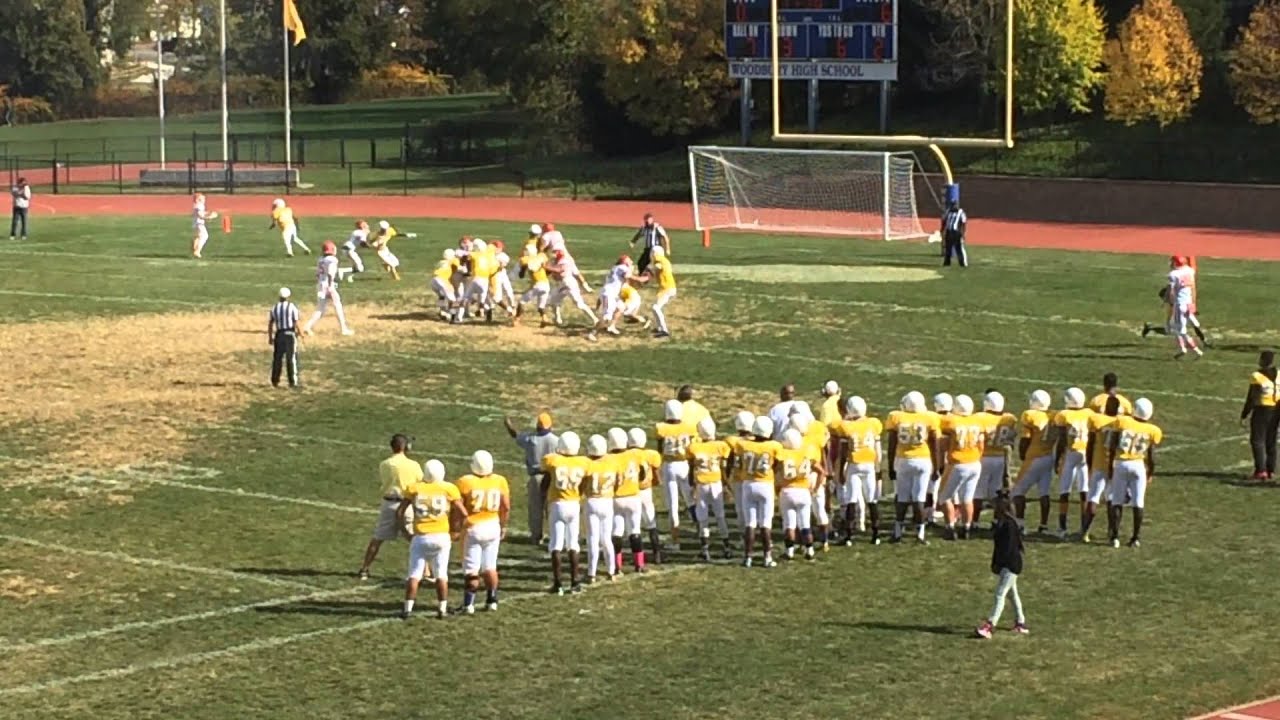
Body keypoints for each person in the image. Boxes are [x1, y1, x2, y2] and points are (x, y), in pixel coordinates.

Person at [397, 458, 466, 620]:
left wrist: (405, 531)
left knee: (414, 574)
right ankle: (442, 608)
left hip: (421, 536)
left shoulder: (415, 488)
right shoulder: (449, 488)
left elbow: (400, 512)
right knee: (441, 574)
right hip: (441, 536)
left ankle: (407, 609)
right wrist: (457, 530)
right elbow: (463, 513)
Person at [358, 434, 422, 580]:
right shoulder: (414, 465)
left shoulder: (384, 464)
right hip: (406, 504)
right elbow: (420, 483)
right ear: (405, 447)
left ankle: (365, 568)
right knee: (415, 539)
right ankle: (426, 571)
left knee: (378, 538)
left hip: (388, 503)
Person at [456, 449, 510, 613]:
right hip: (493, 524)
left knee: (472, 569)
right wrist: (503, 524)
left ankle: (468, 604)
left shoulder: (465, 482)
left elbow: (458, 507)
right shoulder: (499, 480)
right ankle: (492, 600)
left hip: (474, 527)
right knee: (490, 567)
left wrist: (456, 527)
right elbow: (506, 506)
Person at [884, 391, 941, 544]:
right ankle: (920, 534)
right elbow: (934, 444)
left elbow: (891, 444)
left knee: (902, 498)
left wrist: (890, 465)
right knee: (919, 498)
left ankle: (897, 532)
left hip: (903, 460)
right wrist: (936, 466)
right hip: (923, 460)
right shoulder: (930, 417)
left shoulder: (896, 417)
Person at [1107, 398, 1162, 548]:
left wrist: (1110, 465)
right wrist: (1151, 471)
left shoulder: (1122, 421)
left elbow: (1112, 445)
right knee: (1138, 503)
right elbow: (1152, 455)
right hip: (1138, 465)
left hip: (1121, 463)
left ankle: (1115, 537)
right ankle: (1135, 538)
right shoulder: (1153, 430)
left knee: (1117, 501)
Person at [975, 491, 1030, 638]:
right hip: (1009, 564)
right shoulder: (1004, 523)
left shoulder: (1008, 525)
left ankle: (990, 626)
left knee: (1000, 594)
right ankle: (1020, 622)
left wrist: (1000, 564)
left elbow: (1008, 548)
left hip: (1010, 565)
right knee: (1012, 595)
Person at [829, 396, 883, 545]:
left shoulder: (846, 426)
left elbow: (844, 451)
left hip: (854, 465)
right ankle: (875, 534)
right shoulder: (873, 424)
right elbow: (877, 450)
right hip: (869, 465)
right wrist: (878, 468)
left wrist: (840, 472)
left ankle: (848, 536)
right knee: (872, 500)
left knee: (851, 500)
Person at [541, 432, 589, 594]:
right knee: (573, 544)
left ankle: (558, 583)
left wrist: (543, 500)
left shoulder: (553, 460)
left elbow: (545, 482)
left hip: (557, 504)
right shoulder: (582, 462)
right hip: (573, 504)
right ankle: (575, 581)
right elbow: (584, 483)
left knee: (555, 544)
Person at [734, 416, 783, 567]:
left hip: (748, 484)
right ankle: (767, 557)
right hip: (765, 484)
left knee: (750, 524)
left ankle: (748, 557)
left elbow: (739, 464)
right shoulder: (774, 446)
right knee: (765, 524)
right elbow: (777, 466)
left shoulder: (742, 445)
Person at [504, 413, 558, 546]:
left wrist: (508, 425)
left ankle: (536, 536)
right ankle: (554, 535)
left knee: (535, 508)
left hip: (535, 477)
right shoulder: (556, 440)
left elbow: (515, 435)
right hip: (551, 477)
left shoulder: (530, 439)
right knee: (551, 508)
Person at [938, 394, 985, 540]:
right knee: (967, 498)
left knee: (944, 497)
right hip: (975, 463)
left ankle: (950, 527)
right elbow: (982, 445)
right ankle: (966, 528)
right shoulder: (977, 421)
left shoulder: (950, 421)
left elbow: (943, 445)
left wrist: (941, 462)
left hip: (958, 464)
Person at [685, 418, 732, 561]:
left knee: (703, 518)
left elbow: (691, 468)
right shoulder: (721, 445)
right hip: (716, 483)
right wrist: (725, 484)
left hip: (701, 484)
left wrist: (691, 485)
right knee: (720, 516)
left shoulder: (693, 447)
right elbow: (724, 467)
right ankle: (727, 547)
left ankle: (705, 549)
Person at [1011, 390, 1056, 534]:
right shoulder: (1053, 416)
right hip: (1048, 456)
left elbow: (1025, 439)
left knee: (1017, 492)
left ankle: (1020, 523)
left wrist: (1022, 454)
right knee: (1044, 493)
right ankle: (1044, 525)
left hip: (1034, 457)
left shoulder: (1030, 416)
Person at [1052, 387, 1093, 539]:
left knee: (1065, 491)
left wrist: (1057, 458)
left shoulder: (1064, 415)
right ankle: (1084, 528)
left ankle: (1062, 528)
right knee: (1084, 491)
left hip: (1071, 453)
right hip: (1085, 453)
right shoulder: (1089, 413)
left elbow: (1062, 440)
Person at [655, 399, 697, 547]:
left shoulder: (661, 428)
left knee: (673, 505)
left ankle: (675, 540)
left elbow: (660, 448)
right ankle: (700, 531)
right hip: (684, 465)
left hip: (669, 465)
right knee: (690, 499)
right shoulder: (689, 427)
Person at [775, 428, 821, 561]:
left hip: (787, 490)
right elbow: (821, 471)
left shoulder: (782, 454)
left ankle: (789, 551)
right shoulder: (806, 453)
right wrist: (816, 487)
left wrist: (776, 487)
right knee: (805, 524)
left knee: (789, 524)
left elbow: (776, 470)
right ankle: (810, 550)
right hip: (803, 491)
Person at [974, 390, 1016, 529]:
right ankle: (997, 520)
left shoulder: (980, 417)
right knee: (996, 492)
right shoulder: (1009, 419)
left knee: (978, 492)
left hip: (985, 457)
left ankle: (974, 521)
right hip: (999, 458)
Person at [1083, 396, 1121, 544]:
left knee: (1093, 499)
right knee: (1112, 500)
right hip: (1115, 466)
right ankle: (1113, 535)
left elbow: (1090, 443)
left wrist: (1088, 461)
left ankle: (1085, 531)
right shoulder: (1121, 422)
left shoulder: (1097, 420)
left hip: (1099, 464)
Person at [583, 433, 619, 582]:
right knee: (606, 539)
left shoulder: (586, 464)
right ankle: (611, 570)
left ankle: (592, 573)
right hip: (607, 501)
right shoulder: (612, 462)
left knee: (593, 539)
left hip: (592, 500)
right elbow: (618, 481)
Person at [301, 241, 354, 336]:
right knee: (338, 306)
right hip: (328, 285)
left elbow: (317, 274)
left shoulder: (321, 259)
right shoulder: (332, 260)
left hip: (320, 284)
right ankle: (343, 329)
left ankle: (307, 327)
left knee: (320, 309)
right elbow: (330, 273)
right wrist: (330, 286)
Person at [1241, 351, 1279, 481]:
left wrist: (1245, 413)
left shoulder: (1257, 376)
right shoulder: (1279, 374)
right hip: (1277, 409)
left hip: (1263, 409)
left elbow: (1252, 397)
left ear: (1262, 360)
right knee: (1271, 439)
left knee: (1257, 440)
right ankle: (1271, 470)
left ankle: (1260, 470)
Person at [1166, 255, 1203, 359]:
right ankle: (1185, 348)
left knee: (1179, 330)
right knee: (1179, 327)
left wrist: (1170, 302)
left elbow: (1172, 291)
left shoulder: (1173, 274)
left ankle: (1195, 350)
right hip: (1189, 303)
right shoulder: (1189, 271)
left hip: (1180, 304)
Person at [638, 245, 677, 339]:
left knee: (656, 308)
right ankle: (660, 328)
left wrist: (646, 273)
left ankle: (664, 330)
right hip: (667, 288)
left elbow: (656, 267)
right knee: (655, 307)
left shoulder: (660, 261)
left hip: (667, 289)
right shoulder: (664, 260)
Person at [267, 287, 301, 388]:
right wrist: (300, 332)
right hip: (289, 334)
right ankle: (292, 381)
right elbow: (295, 322)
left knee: (277, 358)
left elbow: (270, 323)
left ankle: (275, 380)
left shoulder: (275, 308)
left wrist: (270, 337)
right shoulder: (292, 307)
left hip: (279, 334)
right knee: (291, 359)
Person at [941, 200, 968, 268]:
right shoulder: (948, 211)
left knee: (959, 248)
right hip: (949, 231)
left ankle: (962, 263)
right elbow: (944, 220)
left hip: (956, 232)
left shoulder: (961, 212)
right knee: (948, 248)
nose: (954, 206)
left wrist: (963, 233)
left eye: (955, 205)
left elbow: (964, 223)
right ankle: (947, 263)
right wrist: (942, 229)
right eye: (953, 205)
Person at [191, 193, 217, 258]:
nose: (204, 200)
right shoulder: (199, 206)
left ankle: (194, 247)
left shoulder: (197, 206)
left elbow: (202, 213)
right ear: (198, 199)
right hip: (199, 223)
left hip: (196, 223)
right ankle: (197, 251)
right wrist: (210, 217)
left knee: (198, 236)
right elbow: (200, 215)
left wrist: (209, 213)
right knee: (204, 236)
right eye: (202, 199)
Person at [10, 177, 30, 241]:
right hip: (16, 207)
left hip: (24, 207)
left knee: (24, 222)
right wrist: (21, 193)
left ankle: (23, 235)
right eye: (22, 183)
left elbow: (27, 197)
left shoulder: (27, 188)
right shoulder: (15, 187)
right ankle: (13, 235)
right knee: (15, 222)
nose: (24, 184)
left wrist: (22, 194)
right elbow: (15, 194)